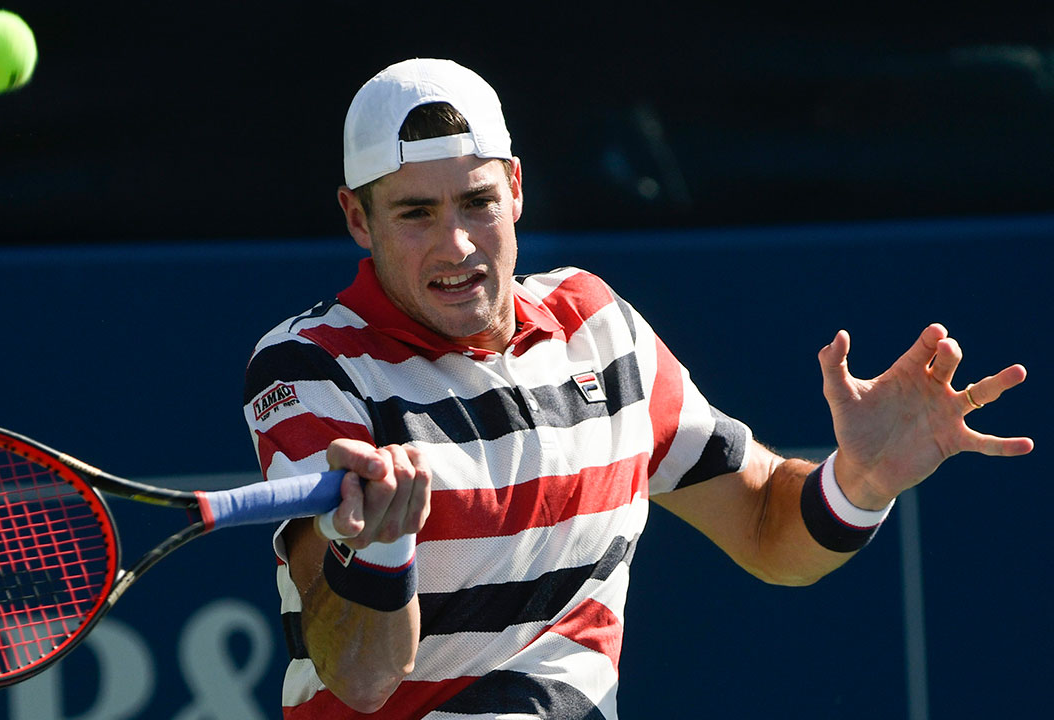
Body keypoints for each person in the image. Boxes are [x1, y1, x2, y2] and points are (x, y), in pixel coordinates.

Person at [242, 58, 1032, 719]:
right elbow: (362, 677)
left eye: (477, 201)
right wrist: (380, 548)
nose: (457, 244)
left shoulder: (598, 325)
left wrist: (858, 481)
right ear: (357, 217)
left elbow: (765, 527)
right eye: (415, 213)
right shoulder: (310, 368)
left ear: (515, 189)